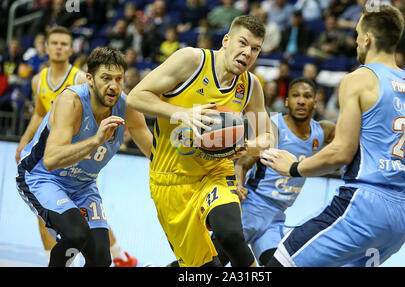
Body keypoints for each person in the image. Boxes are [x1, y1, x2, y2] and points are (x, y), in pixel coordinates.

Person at [260, 5, 405, 267]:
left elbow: (341, 152)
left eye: (357, 34)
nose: (355, 42)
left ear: (367, 38)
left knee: (278, 263)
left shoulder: (359, 79)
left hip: (364, 204)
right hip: (402, 218)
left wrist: (294, 168)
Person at [127, 15, 274, 267]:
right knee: (205, 270)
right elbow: (135, 97)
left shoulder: (250, 86)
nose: (247, 53)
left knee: (231, 236)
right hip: (171, 180)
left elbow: (267, 137)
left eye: (255, 49)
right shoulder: (191, 61)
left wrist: (244, 147)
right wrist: (182, 113)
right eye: (243, 43)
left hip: (215, 173)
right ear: (226, 41)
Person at [16, 46, 153, 267]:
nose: (113, 86)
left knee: (101, 258)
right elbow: (51, 159)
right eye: (106, 78)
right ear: (89, 79)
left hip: (83, 184)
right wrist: (95, 140)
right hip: (42, 176)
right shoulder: (71, 102)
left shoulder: (126, 106)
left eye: (119, 79)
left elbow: (155, 153)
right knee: (75, 234)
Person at [214, 78, 335, 266]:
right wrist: (238, 184)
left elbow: (350, 143)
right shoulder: (274, 128)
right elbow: (242, 164)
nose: (301, 101)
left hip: (276, 218)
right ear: (287, 101)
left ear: (315, 102)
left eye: (307, 96)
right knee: (207, 264)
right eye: (295, 96)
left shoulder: (323, 131)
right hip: (251, 208)